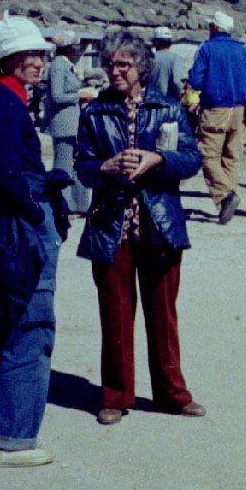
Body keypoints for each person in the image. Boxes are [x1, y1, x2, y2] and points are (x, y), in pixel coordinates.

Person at [76, 30, 205, 424]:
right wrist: (104, 167)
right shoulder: (94, 113)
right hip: (110, 225)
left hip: (159, 224)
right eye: (109, 64)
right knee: (115, 314)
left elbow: (191, 159)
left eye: (123, 65)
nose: (114, 72)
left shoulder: (168, 109)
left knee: (163, 314)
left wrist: (159, 160)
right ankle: (115, 396)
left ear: (141, 68)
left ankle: (172, 394)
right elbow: (81, 168)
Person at [0, 15, 60, 468]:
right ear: (7, 59)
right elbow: (6, 174)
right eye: (29, 55)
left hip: (3, 220)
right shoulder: (5, 103)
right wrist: (39, 210)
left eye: (40, 54)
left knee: (6, 323)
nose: (38, 62)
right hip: (20, 221)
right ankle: (10, 438)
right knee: (30, 325)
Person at [186, 9, 246, 224]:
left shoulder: (206, 49)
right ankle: (226, 203)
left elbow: (196, 80)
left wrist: (192, 101)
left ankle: (224, 196)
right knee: (230, 158)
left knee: (207, 156)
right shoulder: (243, 51)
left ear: (215, 27)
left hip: (214, 109)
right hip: (237, 110)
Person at [45, 32, 94, 216]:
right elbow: (56, 96)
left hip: (71, 122)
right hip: (63, 124)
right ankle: (63, 205)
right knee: (64, 165)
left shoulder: (65, 65)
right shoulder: (58, 66)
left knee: (76, 164)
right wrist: (79, 96)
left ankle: (79, 204)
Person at [149, 26, 184, 101]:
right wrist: (178, 96)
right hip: (168, 101)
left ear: (156, 43)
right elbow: (176, 82)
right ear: (170, 43)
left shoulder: (149, 58)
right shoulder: (175, 58)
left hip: (150, 100)